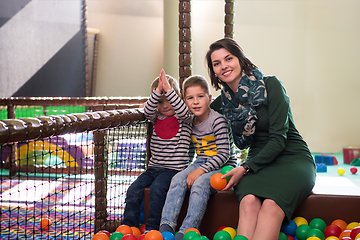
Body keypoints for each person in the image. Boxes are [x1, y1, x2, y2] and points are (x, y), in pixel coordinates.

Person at [205, 38, 316, 240]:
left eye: (228, 58)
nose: (224, 66)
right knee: (248, 202)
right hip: (257, 161)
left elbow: (279, 139)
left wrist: (245, 168)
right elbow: (195, 116)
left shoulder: (271, 85)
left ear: (240, 58)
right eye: (217, 63)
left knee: (271, 207)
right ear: (214, 71)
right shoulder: (223, 103)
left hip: (291, 157)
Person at [159, 75, 237, 240]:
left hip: (223, 165)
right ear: (184, 101)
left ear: (209, 98)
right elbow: (190, 151)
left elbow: (224, 154)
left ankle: (187, 231)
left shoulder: (218, 121)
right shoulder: (189, 121)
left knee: (200, 184)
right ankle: (166, 225)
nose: (195, 102)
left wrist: (200, 171)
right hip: (202, 161)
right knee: (178, 178)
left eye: (200, 96)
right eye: (190, 98)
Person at [121, 69, 194, 231]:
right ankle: (128, 225)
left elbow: (182, 110)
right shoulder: (156, 117)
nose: (166, 105)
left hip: (174, 170)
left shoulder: (185, 117)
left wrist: (168, 90)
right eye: (160, 102)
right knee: (133, 189)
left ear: (177, 98)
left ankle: (152, 227)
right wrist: (158, 92)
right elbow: (147, 111)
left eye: (169, 99)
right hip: (153, 168)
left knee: (157, 189)